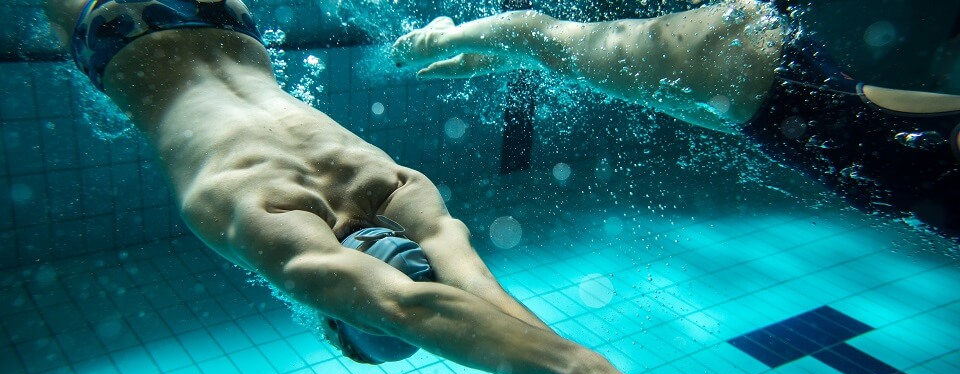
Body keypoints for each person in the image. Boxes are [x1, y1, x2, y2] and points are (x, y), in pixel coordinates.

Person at [42, 0, 727, 374]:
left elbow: (439, 298)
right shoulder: (272, 213)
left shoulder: (364, 193)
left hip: (215, 19)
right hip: (127, 35)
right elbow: (428, 302)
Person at [393, 0, 960, 238]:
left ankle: (486, 52)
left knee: (575, 59)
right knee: (551, 38)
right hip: (760, 65)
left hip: (761, 106)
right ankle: (440, 38)